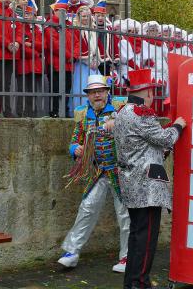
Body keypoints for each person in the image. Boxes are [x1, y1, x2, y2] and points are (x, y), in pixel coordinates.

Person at [113, 68, 186, 289]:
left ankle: (132, 282)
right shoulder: (142, 113)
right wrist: (178, 126)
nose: (153, 95)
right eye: (152, 91)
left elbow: (143, 143)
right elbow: (165, 139)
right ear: (146, 92)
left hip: (131, 183)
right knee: (146, 240)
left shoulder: (123, 112)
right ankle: (140, 283)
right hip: (147, 187)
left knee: (137, 235)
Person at [58, 74, 130, 273]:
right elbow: (74, 140)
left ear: (107, 92)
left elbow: (133, 129)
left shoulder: (120, 110)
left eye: (100, 91)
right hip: (97, 170)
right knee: (86, 208)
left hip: (119, 170)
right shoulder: (83, 115)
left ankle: (127, 257)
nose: (97, 95)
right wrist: (76, 149)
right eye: (92, 92)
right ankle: (71, 252)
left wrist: (118, 124)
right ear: (88, 96)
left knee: (125, 214)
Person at [45, 0, 75, 118]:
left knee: (67, 88)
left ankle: (64, 110)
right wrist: (69, 55)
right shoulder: (50, 25)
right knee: (56, 88)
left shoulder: (69, 25)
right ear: (55, 11)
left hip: (68, 64)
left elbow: (76, 42)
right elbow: (54, 45)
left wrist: (74, 55)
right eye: (61, 11)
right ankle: (55, 111)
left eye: (65, 11)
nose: (63, 13)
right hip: (55, 63)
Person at [16, 0, 48, 117]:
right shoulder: (20, 27)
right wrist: (36, 53)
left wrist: (32, 44)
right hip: (24, 64)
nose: (26, 16)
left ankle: (33, 113)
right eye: (25, 14)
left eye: (29, 14)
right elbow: (22, 45)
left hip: (36, 66)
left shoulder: (37, 30)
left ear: (34, 16)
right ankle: (22, 113)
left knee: (34, 91)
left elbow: (43, 46)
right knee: (23, 90)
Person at [69, 5, 100, 115]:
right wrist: (88, 61)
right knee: (82, 88)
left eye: (87, 16)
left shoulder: (93, 30)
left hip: (93, 65)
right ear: (79, 17)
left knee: (96, 88)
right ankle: (82, 113)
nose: (86, 18)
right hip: (82, 65)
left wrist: (96, 61)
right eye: (83, 16)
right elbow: (79, 48)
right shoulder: (76, 30)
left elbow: (97, 48)